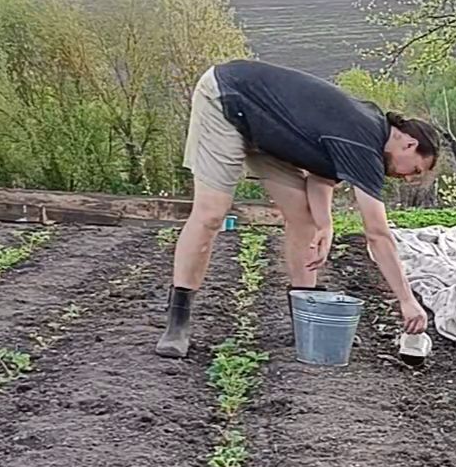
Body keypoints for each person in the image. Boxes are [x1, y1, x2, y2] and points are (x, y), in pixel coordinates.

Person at [160, 59, 439, 358]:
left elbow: (320, 175)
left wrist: (325, 223)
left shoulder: (368, 133)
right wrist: (406, 300)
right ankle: (177, 322)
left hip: (266, 128)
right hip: (228, 99)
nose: (407, 178)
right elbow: (378, 234)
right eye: (415, 170)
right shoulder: (365, 140)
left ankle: (307, 322)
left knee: (305, 220)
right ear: (409, 144)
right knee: (212, 212)